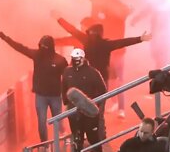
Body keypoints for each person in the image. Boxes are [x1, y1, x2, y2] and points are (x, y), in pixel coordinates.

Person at [51, 10, 151, 138]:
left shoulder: (85, 40)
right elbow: (122, 42)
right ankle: (100, 136)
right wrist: (140, 39)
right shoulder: (106, 44)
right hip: (101, 81)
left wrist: (59, 18)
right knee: (99, 110)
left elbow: (71, 29)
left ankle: (84, 134)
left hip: (84, 78)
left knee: (83, 107)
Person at [71, 0, 132, 118]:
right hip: (104, 51)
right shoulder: (99, 4)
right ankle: (113, 102)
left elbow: (126, 11)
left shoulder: (119, 9)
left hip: (117, 51)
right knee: (108, 80)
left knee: (119, 81)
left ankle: (121, 109)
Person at [0, 32, 68, 142]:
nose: (42, 48)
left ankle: (63, 139)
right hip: (41, 96)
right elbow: (20, 48)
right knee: (41, 121)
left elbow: (68, 76)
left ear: (50, 47)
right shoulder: (37, 55)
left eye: (44, 46)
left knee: (58, 121)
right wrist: (6, 38)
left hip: (55, 96)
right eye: (41, 46)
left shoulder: (60, 60)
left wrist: (67, 93)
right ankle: (45, 145)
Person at [61, 48, 108, 152]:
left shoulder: (93, 72)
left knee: (92, 136)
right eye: (73, 58)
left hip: (89, 111)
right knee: (77, 139)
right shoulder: (67, 72)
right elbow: (64, 88)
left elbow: (103, 90)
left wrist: (94, 104)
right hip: (74, 112)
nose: (75, 60)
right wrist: (66, 102)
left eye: (77, 58)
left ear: (83, 58)